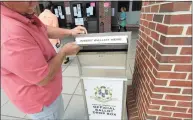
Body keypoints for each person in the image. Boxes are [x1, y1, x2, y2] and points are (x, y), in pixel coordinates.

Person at [1, 2, 87, 120]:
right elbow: (43, 78)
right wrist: (64, 52)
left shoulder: (22, 13)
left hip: (49, 93)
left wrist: (70, 32)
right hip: (40, 101)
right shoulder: (11, 35)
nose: (35, 2)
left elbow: (43, 28)